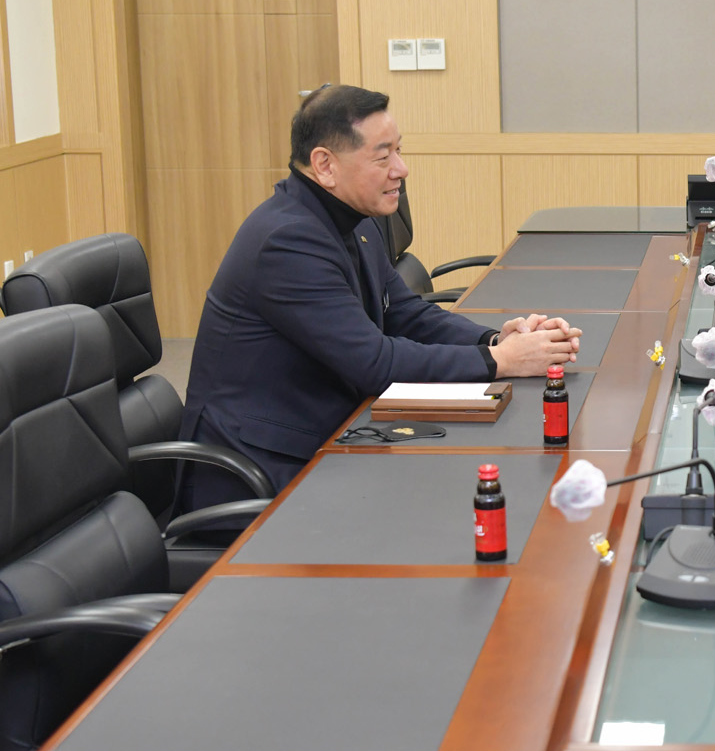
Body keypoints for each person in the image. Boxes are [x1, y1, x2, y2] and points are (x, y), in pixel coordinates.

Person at [178, 84, 581, 512]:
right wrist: (501, 362)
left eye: (399, 151)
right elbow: (375, 363)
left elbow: (405, 312)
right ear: (325, 165)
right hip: (263, 472)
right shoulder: (286, 242)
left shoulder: (354, 219)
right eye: (383, 156)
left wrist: (494, 341)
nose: (401, 169)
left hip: (334, 437)